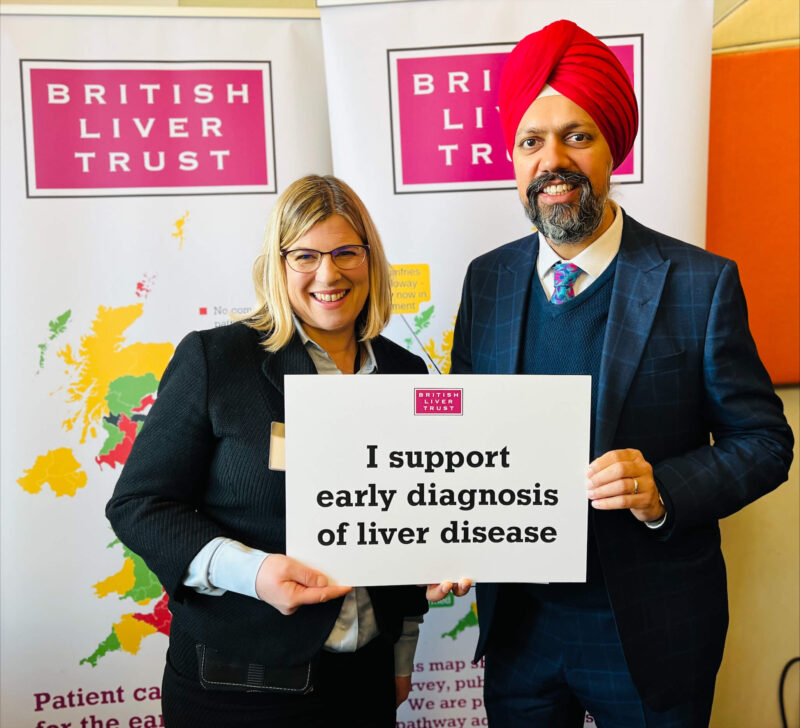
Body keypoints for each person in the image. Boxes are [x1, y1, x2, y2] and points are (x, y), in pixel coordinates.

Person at [448, 19, 794, 728]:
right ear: (513, 160)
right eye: (531, 141)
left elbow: (765, 442)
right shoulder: (487, 282)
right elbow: (463, 428)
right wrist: (445, 526)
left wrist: (662, 486)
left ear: (614, 149)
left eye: (576, 136)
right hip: (519, 630)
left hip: (650, 630)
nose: (553, 161)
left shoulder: (701, 283)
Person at [106, 175, 431, 728]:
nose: (328, 274)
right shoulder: (217, 360)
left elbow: (413, 516)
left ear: (371, 260)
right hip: (238, 684)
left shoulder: (405, 372)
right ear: (278, 266)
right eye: (305, 255)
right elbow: (139, 504)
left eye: (346, 252)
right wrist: (253, 572)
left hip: (365, 680)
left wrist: (402, 654)